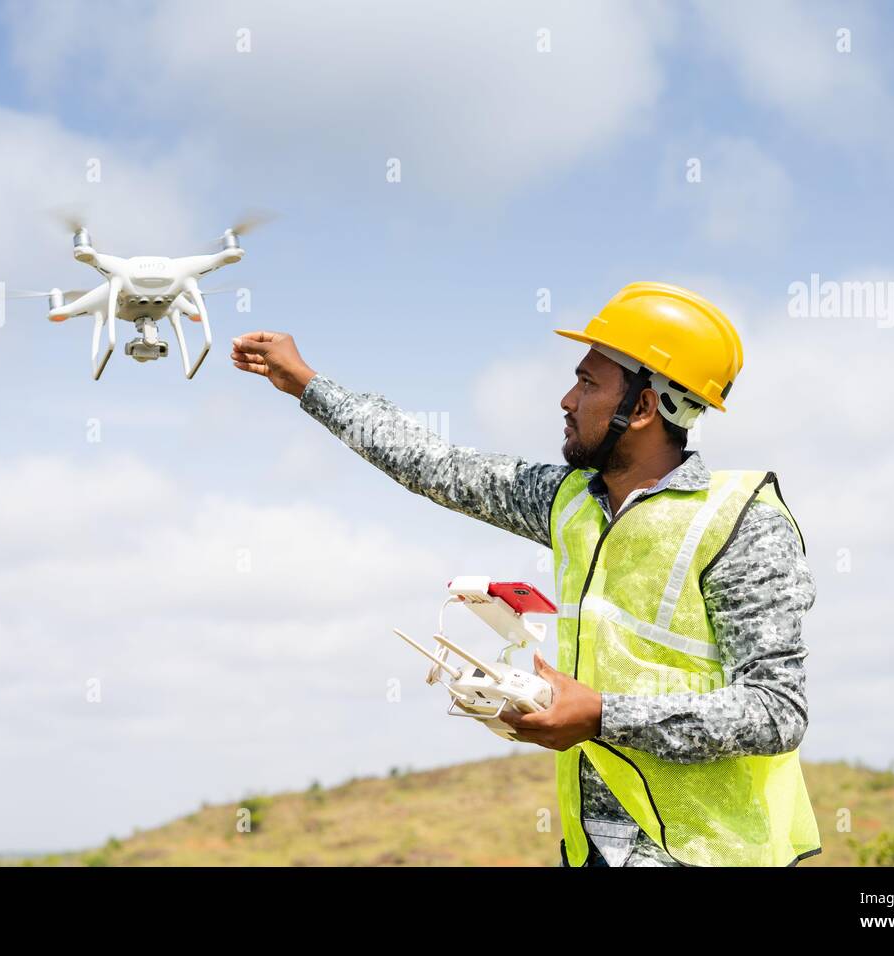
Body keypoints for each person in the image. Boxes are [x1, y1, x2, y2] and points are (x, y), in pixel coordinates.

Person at [230, 281, 822, 867]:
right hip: (590, 846)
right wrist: (307, 384)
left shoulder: (743, 523)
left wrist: (601, 714)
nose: (566, 400)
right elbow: (435, 465)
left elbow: (777, 711)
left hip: (704, 854)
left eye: (588, 382)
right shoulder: (568, 500)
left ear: (642, 408)